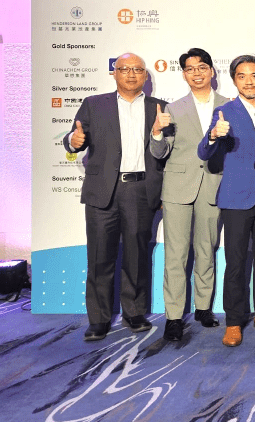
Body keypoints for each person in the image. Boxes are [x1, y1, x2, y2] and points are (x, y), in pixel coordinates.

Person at [65, 52, 166, 341]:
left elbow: (165, 152)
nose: (131, 74)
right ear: (114, 73)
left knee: (136, 255)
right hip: (102, 191)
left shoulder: (159, 108)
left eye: (138, 70)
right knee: (99, 257)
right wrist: (72, 142)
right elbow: (73, 138)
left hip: (139, 189)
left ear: (146, 76)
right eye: (124, 69)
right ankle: (98, 319)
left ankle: (134, 313)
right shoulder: (94, 104)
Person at [198, 55, 255, 347]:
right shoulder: (225, 111)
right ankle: (233, 321)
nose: (249, 81)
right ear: (235, 80)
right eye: (243, 76)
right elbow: (204, 154)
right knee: (235, 261)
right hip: (236, 197)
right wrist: (212, 136)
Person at [149, 48, 229, 341]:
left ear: (211, 71)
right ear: (184, 74)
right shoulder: (171, 109)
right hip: (177, 189)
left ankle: (203, 308)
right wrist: (156, 132)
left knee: (207, 251)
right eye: (190, 69)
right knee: (176, 255)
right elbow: (160, 152)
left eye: (202, 67)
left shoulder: (228, 105)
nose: (197, 73)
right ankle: (172, 316)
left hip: (213, 185)